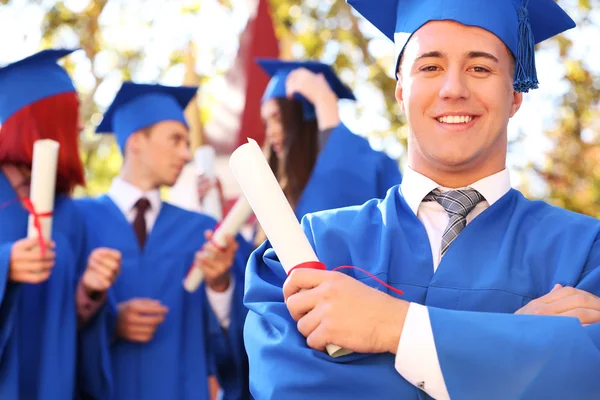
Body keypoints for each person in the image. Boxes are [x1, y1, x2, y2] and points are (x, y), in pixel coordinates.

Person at [243, 1, 600, 399]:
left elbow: (589, 378)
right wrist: (520, 348)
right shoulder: (310, 246)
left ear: (516, 93)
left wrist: (392, 326)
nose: (453, 89)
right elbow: (290, 388)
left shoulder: (586, 252)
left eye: (480, 67)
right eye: (430, 67)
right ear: (400, 89)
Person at [76, 82, 251, 400]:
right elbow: (42, 324)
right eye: (176, 140)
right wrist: (109, 325)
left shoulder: (202, 230)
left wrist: (220, 286)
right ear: (136, 141)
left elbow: (237, 340)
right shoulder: (78, 221)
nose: (186, 154)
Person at [0, 49, 118, 399]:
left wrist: (89, 293)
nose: (81, 125)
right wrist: (5, 264)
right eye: (71, 112)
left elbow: (74, 335)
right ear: (36, 120)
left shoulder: (70, 216)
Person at [252, 59, 402, 245]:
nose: (270, 132)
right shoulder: (279, 195)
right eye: (266, 122)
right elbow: (257, 265)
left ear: (304, 120)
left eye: (278, 118)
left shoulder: (374, 164)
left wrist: (324, 101)